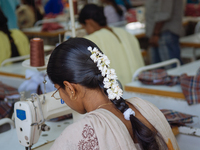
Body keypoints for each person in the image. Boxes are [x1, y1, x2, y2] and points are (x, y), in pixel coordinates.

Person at [47, 37, 179, 150]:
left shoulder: (76, 136)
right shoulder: (145, 107)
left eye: (58, 90)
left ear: (70, 88)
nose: (60, 96)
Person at [78, 4, 144, 87]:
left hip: (118, 91)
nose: (86, 31)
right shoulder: (125, 33)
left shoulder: (92, 40)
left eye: (85, 27)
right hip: (139, 84)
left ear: (88, 22)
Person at [145, 0, 183, 68]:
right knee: (158, 72)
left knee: (171, 70)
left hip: (164, 33)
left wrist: (155, 34)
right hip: (157, 34)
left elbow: (164, 13)